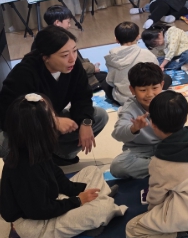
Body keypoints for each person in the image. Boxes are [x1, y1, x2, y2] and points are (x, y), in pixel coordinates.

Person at [0, 94, 126, 238]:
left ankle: (94, 205)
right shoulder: (24, 168)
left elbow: (57, 177)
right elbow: (40, 211)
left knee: (92, 171)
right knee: (103, 209)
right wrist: (77, 201)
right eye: (52, 117)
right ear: (39, 129)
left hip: (50, 202)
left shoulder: (36, 150)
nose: (57, 120)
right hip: (36, 225)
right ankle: (97, 207)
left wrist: (78, 191)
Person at [125, 91, 188, 238]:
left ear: (153, 124)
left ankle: (181, 232)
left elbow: (155, 198)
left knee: (132, 230)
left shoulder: (161, 162)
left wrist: (153, 216)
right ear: (185, 118)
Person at [0, 26, 108, 165]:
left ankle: (61, 155)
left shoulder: (74, 67)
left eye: (75, 51)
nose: (72, 59)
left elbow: (82, 97)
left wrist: (85, 122)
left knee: (99, 116)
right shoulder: (24, 73)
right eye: (64, 55)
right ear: (46, 57)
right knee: (6, 144)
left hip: (50, 120)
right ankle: (36, 164)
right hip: (25, 126)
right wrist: (52, 121)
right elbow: (9, 117)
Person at [110, 63, 167, 179]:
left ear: (162, 85)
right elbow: (117, 134)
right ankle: (165, 166)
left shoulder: (169, 101)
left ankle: (161, 165)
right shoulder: (129, 109)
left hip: (166, 146)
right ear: (132, 90)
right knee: (117, 166)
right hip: (140, 150)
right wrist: (133, 128)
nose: (150, 94)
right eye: (143, 90)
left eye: (155, 88)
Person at [43, 5, 108, 93]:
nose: (69, 25)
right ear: (57, 22)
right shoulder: (60, 41)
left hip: (74, 73)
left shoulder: (50, 36)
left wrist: (90, 65)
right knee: (108, 79)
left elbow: (77, 60)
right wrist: (92, 68)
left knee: (104, 75)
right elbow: (73, 68)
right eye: (68, 22)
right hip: (71, 81)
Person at [105, 22, 172, 105]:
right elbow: (158, 75)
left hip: (123, 100)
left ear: (116, 39)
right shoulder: (147, 54)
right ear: (138, 36)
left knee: (105, 83)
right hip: (149, 97)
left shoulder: (111, 58)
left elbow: (110, 81)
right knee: (166, 78)